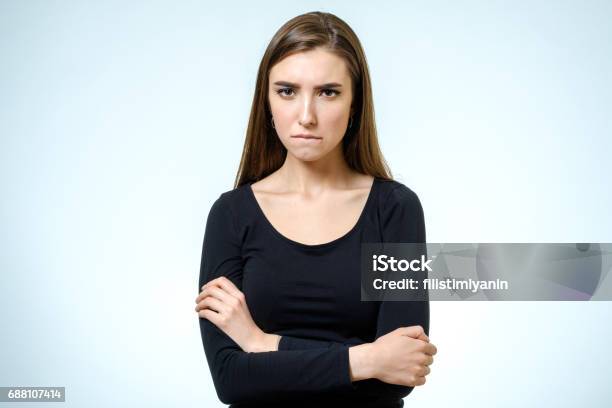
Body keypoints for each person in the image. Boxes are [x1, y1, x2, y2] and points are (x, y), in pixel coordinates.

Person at [194, 11, 437, 407]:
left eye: (328, 92)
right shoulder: (231, 215)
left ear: (355, 102)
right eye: (287, 91)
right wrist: (368, 358)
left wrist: (261, 342)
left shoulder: (394, 209)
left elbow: (399, 376)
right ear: (266, 101)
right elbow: (231, 380)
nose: (306, 115)